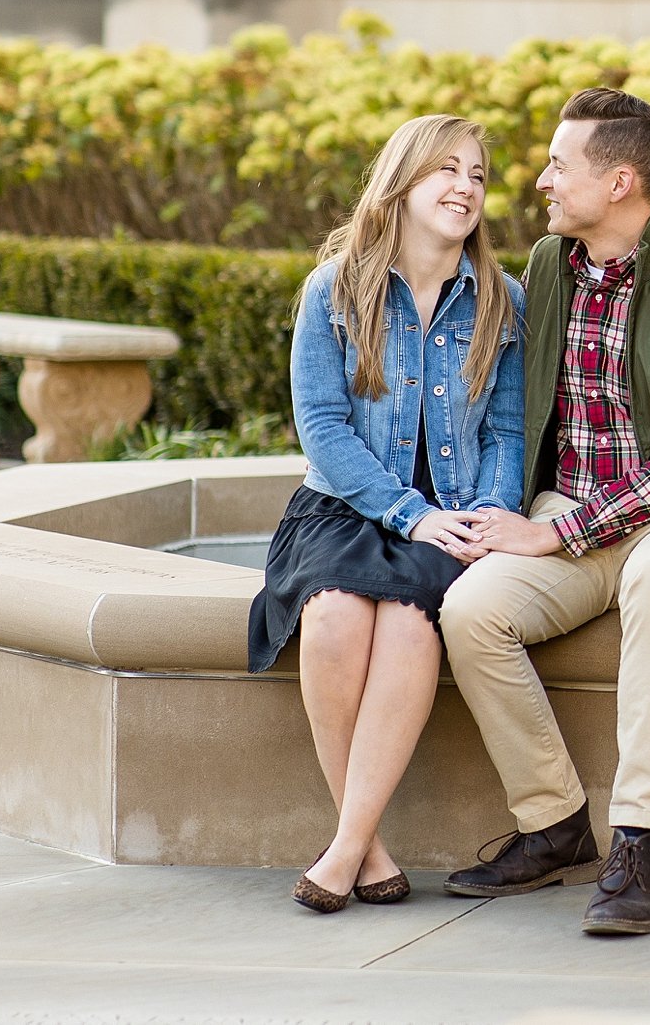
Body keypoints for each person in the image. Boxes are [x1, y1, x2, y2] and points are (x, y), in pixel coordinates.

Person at [439, 85, 650, 936]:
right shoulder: (550, 267)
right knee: (471, 610)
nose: (542, 179)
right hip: (578, 512)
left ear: (621, 181)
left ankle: (640, 842)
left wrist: (553, 531)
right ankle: (553, 823)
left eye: (560, 163)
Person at [249, 113, 527, 913]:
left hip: (452, 517)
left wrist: (488, 515)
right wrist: (407, 511)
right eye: (446, 169)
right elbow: (323, 427)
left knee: (409, 625)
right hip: (343, 509)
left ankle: (341, 849)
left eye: (477, 174)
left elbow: (508, 430)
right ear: (400, 184)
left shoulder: (501, 302)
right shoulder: (335, 286)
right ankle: (365, 845)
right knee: (332, 616)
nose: (465, 186)